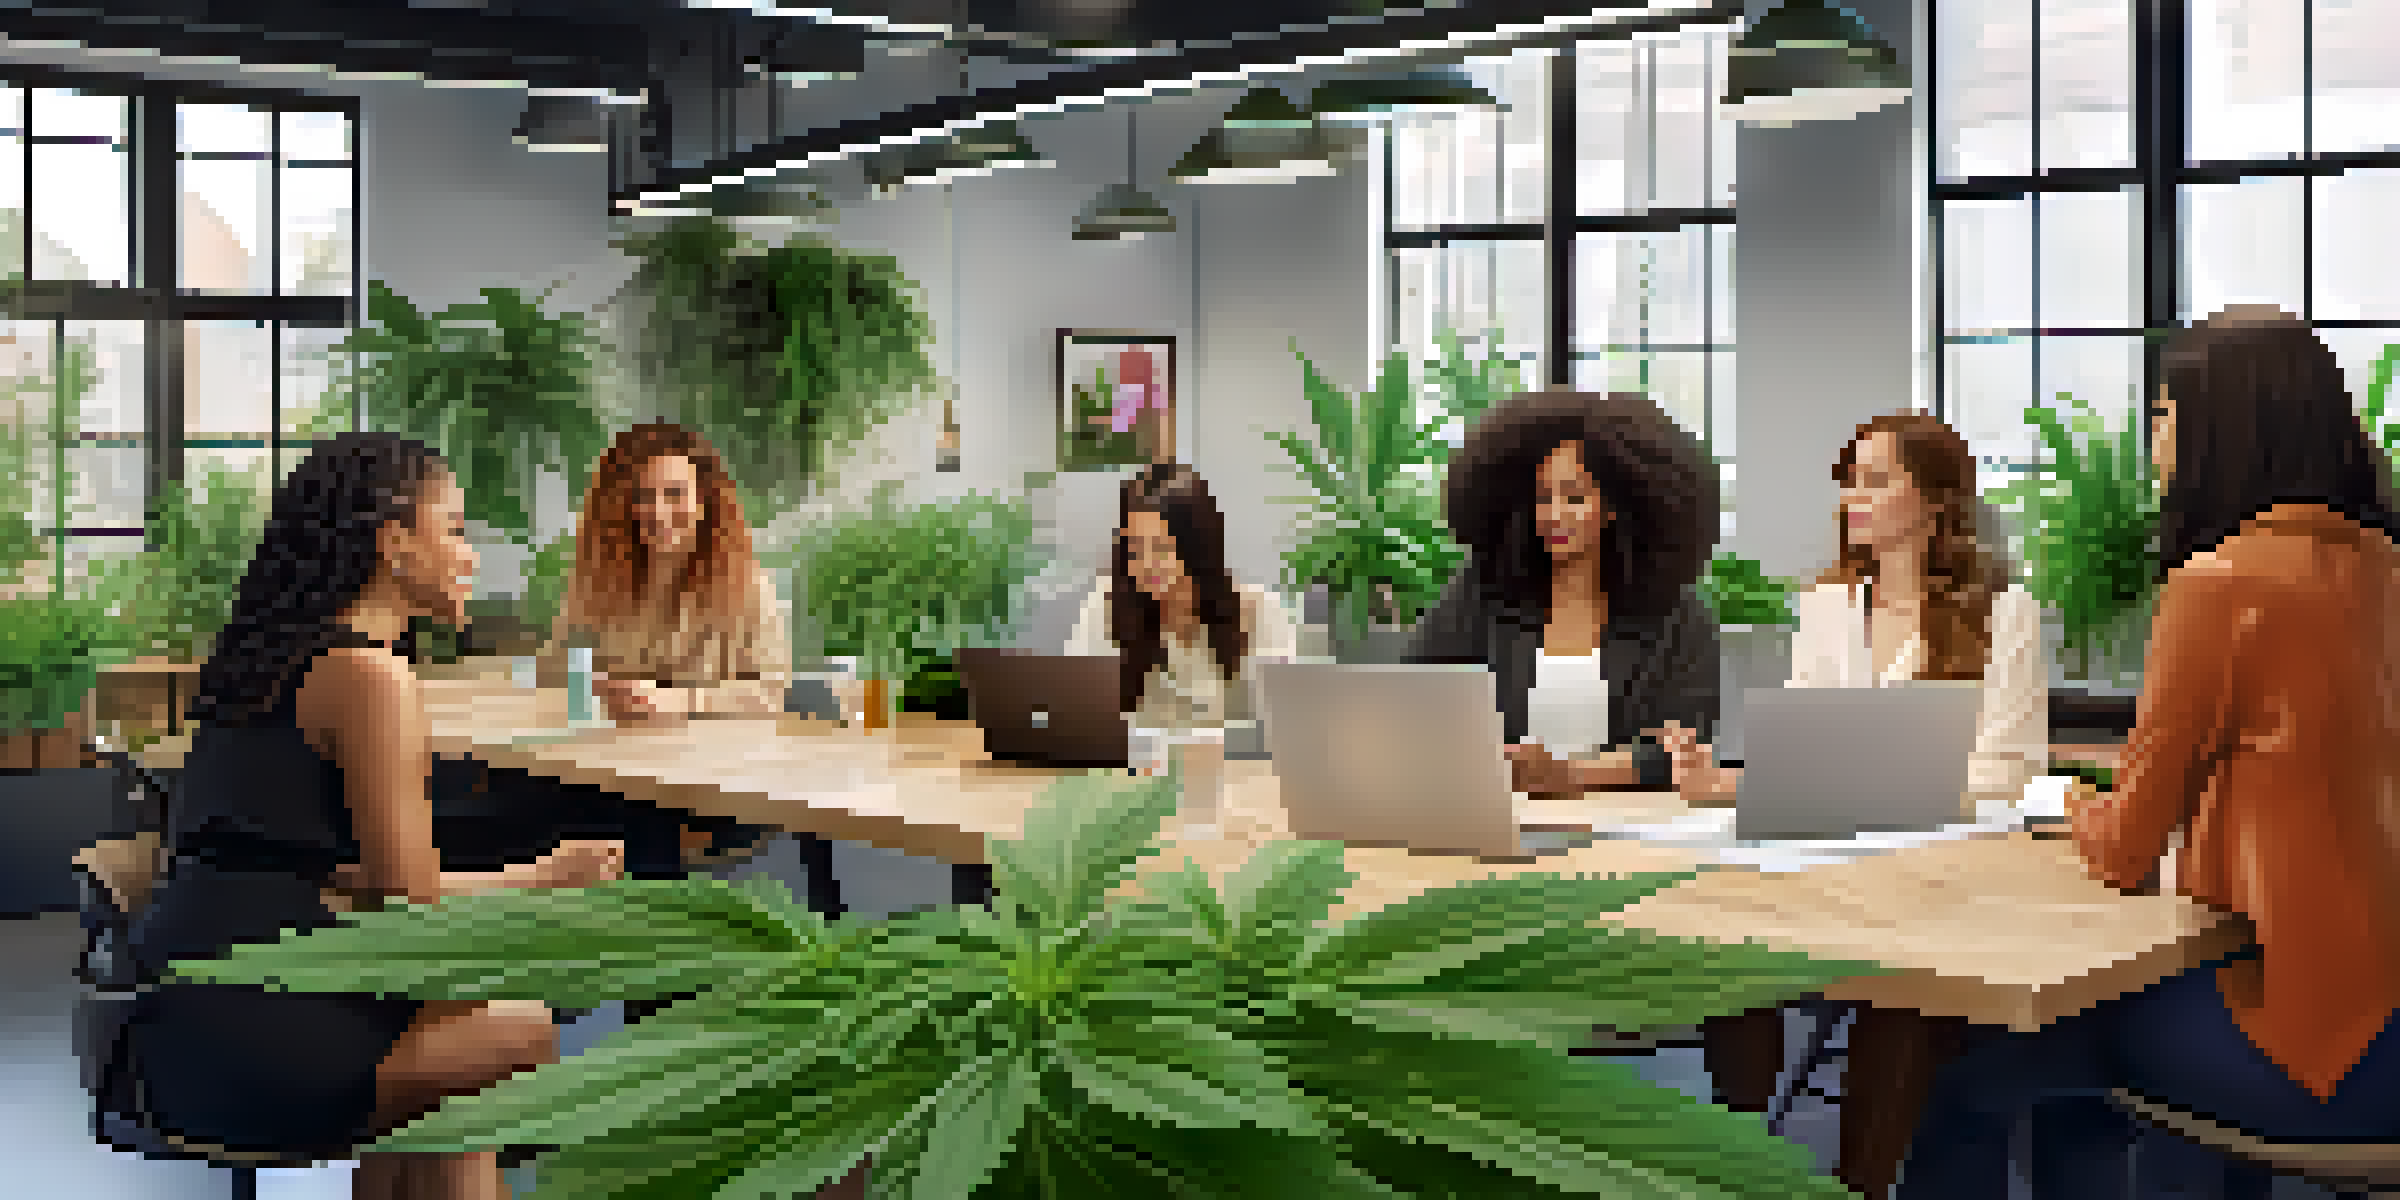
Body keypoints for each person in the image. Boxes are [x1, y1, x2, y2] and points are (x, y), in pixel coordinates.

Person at [1894, 306, 2400, 1200]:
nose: (2153, 440)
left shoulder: (2221, 586)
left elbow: (2127, 850)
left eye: (2164, 414)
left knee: (1976, 1074)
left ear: (2222, 429)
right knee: (2119, 1059)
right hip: (2384, 1028)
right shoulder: (2383, 569)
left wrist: (2069, 805)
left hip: (2319, 1055)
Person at [125, 433, 625, 1200]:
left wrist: (353, 886)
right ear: (394, 544)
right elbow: (411, 903)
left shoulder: (273, 662)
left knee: (458, 1077)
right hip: (254, 1037)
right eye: (454, 528)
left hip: (174, 1022)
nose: (470, 554)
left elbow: (345, 878)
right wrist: (552, 874)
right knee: (517, 1030)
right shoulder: (367, 678)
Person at [1663, 411, 2048, 1114]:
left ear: (1936, 500)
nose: (1851, 497)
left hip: (1943, 875)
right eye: (1847, 481)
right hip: (1828, 863)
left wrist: (1876, 795)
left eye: (1876, 480)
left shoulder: (2004, 611)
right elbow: (1807, 756)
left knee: (1898, 995)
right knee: (1728, 961)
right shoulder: (1826, 606)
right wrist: (1720, 785)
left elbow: (2010, 771)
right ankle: (1742, 1166)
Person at [1402, 388, 1722, 796]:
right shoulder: (1478, 595)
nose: (1554, 515)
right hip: (1498, 818)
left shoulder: (1676, 613)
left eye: (1574, 497)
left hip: (1628, 826)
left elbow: (1682, 749)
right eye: (1542, 497)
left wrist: (1572, 776)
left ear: (1613, 505)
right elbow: (1412, 704)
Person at [537, 423, 790, 880]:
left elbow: (770, 694)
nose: (657, 511)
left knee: (625, 821)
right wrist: (589, 687)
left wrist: (679, 702)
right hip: (608, 767)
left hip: (709, 779)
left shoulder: (748, 586)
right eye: (642, 496)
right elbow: (555, 669)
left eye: (674, 493)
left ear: (704, 501)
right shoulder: (595, 581)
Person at [1064, 461, 1300, 735]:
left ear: (1199, 548)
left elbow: (1284, 728)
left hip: (1230, 775)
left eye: (1162, 548)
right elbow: (1074, 714)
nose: (1147, 564)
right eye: (1136, 548)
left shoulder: (1261, 614)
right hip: (1132, 775)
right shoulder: (1105, 607)